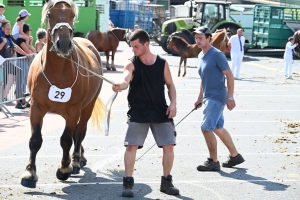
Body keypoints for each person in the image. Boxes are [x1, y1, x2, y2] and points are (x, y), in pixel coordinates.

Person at [112, 29, 179, 197]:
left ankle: (166, 181)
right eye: (131, 47)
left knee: (169, 146)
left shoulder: (162, 63)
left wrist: (173, 103)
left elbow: (170, 85)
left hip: (159, 110)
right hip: (138, 112)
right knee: (131, 146)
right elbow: (126, 79)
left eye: (136, 47)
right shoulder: (131, 64)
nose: (133, 50)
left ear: (146, 45)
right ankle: (127, 183)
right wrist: (119, 85)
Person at [193, 26, 245, 171]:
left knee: (206, 128)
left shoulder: (217, 55)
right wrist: (199, 97)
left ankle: (213, 161)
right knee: (217, 127)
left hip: (217, 97)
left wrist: (231, 97)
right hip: (209, 96)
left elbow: (229, 75)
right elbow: (204, 78)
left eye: (200, 38)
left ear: (209, 38)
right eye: (196, 38)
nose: (198, 40)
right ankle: (235, 156)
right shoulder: (201, 55)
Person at [0, 20, 31, 109]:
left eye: (9, 29)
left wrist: (26, 54)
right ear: (2, 28)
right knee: (2, 83)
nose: (8, 31)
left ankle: (18, 99)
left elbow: (15, 47)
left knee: (19, 72)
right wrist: (3, 42)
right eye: (7, 29)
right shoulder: (1, 37)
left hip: (6, 63)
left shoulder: (8, 37)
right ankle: (2, 100)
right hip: (1, 63)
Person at [15, 23, 36, 108]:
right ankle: (18, 101)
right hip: (21, 62)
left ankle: (23, 100)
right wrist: (28, 41)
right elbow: (28, 51)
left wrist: (30, 42)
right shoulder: (20, 40)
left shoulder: (26, 40)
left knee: (24, 81)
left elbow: (33, 51)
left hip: (26, 62)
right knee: (20, 82)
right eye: (29, 31)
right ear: (26, 31)